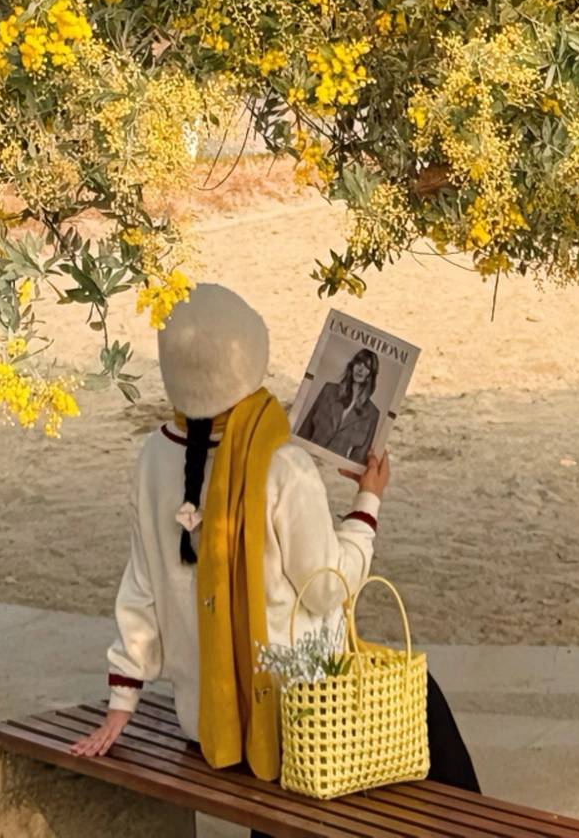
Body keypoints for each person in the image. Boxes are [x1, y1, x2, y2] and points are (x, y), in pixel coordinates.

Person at [68, 282, 479, 826]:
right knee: (424, 704)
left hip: (208, 723)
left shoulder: (152, 458)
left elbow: (140, 590)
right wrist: (367, 505)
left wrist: (122, 705)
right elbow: (330, 588)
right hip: (298, 716)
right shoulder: (282, 464)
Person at [295, 346, 382, 465]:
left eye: (367, 367)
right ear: (352, 365)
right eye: (359, 363)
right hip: (306, 460)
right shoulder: (329, 390)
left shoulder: (372, 414)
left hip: (333, 471)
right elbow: (306, 429)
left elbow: (358, 459)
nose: (360, 369)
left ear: (371, 374)